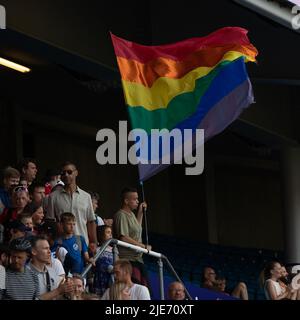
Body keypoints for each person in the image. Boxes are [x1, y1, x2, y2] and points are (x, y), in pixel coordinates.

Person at [45, 161, 96, 244]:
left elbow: (91, 221)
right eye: (63, 173)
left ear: (76, 173)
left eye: (69, 172)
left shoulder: (86, 196)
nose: (66, 175)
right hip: (63, 244)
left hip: (83, 244)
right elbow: (50, 221)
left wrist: (93, 242)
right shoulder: (53, 196)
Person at [113, 187, 151, 287]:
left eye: (137, 199)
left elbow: (137, 229)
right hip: (129, 260)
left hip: (138, 259)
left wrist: (140, 212)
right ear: (126, 201)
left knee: (145, 290)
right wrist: (143, 246)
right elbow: (123, 237)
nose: (137, 201)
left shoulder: (132, 215)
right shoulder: (121, 215)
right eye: (135, 199)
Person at [28, 236, 74, 300]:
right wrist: (58, 291)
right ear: (33, 251)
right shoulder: (25, 273)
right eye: (45, 248)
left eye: (49, 248)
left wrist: (67, 291)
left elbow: (56, 297)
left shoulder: (51, 271)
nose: (49, 251)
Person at [93, 225, 117, 296]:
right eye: (108, 232)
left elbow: (117, 262)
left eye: (111, 232)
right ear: (101, 235)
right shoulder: (97, 249)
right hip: (101, 278)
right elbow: (101, 264)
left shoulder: (114, 249)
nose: (110, 234)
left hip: (112, 277)